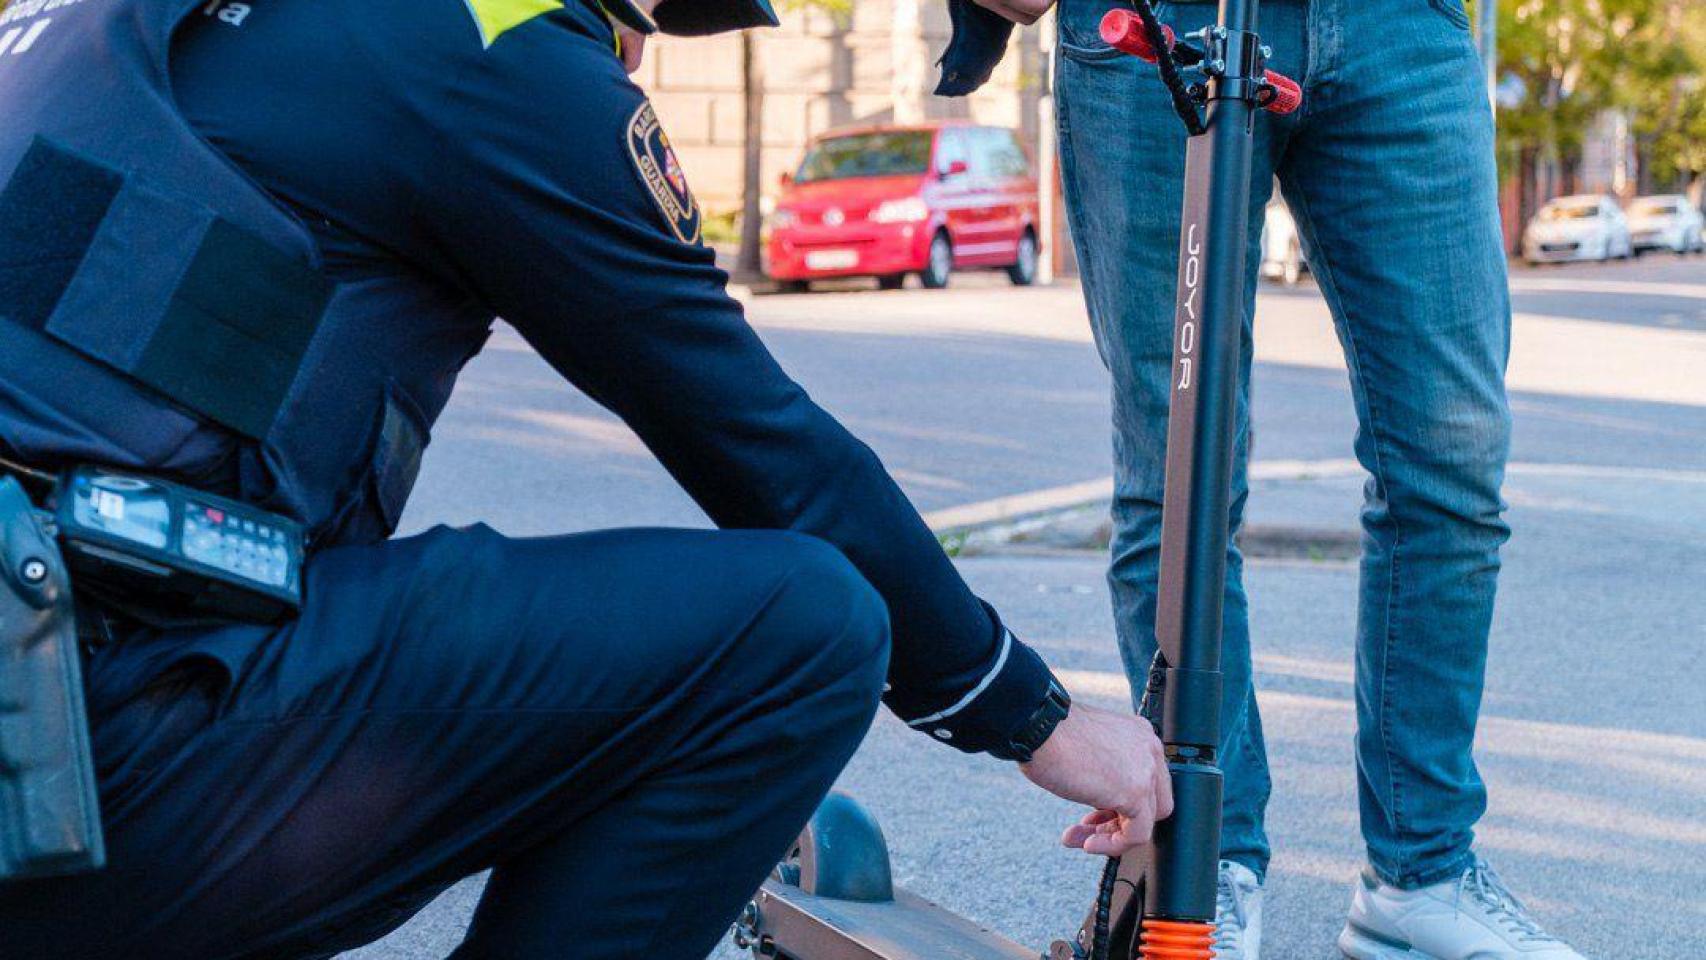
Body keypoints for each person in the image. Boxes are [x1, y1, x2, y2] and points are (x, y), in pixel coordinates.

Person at [0, 0, 1175, 956]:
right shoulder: (491, 45)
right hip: (75, 764)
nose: (643, 54)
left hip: (51, 681)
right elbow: (757, 440)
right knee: (795, 629)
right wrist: (1032, 714)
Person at [960, 0, 1592, 957]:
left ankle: (1422, 876)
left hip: (1399, 28)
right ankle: (1205, 871)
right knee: (1178, 471)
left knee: (1451, 460)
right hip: (1158, 20)